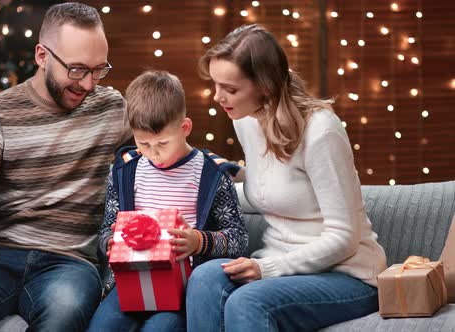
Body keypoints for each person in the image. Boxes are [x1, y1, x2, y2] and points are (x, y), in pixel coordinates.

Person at [0, 3, 130, 331]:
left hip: (70, 262)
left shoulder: (111, 109)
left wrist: (234, 171)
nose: (89, 84)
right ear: (42, 56)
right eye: (77, 69)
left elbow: (168, 144)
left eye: (99, 70)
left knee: (65, 313)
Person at [186, 24, 388, 331]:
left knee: (247, 300)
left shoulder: (320, 131)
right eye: (215, 84)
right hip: (281, 264)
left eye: (230, 88)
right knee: (203, 278)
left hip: (347, 274)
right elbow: (264, 193)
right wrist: (196, 194)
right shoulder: (247, 120)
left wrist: (268, 267)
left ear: (264, 86)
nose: (217, 97)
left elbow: (343, 238)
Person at [87, 70, 248, 331]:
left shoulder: (211, 174)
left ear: (185, 128)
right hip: (129, 285)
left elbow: (239, 238)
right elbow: (107, 230)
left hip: (183, 291)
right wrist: (114, 243)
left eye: (162, 142)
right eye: (143, 143)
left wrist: (198, 241)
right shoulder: (125, 171)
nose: (154, 153)